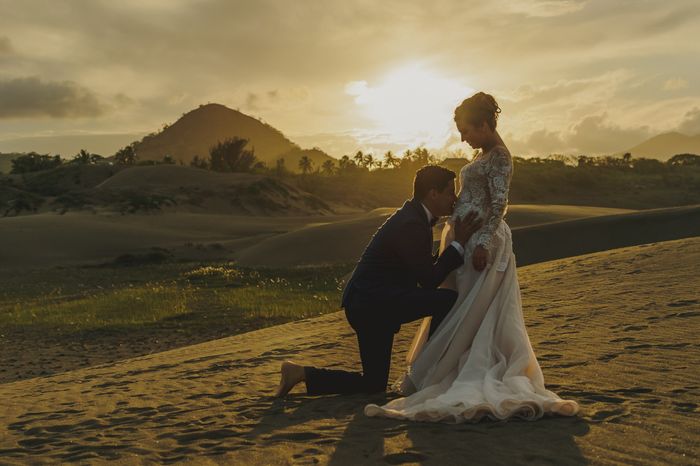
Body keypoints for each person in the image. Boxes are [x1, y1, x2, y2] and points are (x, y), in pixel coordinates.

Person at [365, 92, 579, 422]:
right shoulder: (483, 154)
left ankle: (463, 368)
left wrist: (481, 242)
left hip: (482, 242)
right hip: (466, 242)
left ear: (483, 124)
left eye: (466, 130)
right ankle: (443, 366)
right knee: (459, 305)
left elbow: (499, 204)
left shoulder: (500, 157)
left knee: (473, 308)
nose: (463, 137)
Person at [275, 166, 483, 397]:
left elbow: (420, 268)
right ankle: (432, 362)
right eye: (450, 192)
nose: (454, 199)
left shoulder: (415, 217)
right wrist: (459, 244)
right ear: (433, 193)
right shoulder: (412, 223)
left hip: (373, 302)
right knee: (447, 299)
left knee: (373, 385)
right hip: (371, 305)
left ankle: (300, 373)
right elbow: (428, 280)